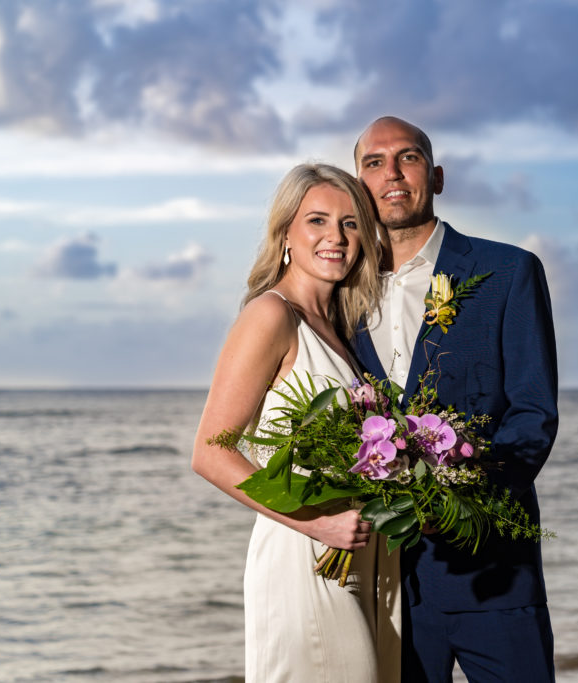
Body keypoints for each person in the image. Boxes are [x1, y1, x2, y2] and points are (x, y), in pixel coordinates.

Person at [351, 117, 559, 683]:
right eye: (374, 163)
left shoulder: (507, 272)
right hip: (384, 584)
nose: (392, 174)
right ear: (358, 186)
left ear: (436, 175)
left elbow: (532, 415)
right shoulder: (341, 290)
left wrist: (462, 507)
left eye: (408, 158)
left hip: (492, 574)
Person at [191, 163, 401, 683]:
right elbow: (211, 453)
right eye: (318, 221)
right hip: (304, 553)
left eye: (351, 223)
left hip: (358, 556)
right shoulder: (271, 315)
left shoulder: (336, 331)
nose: (336, 236)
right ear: (286, 232)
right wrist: (316, 522)